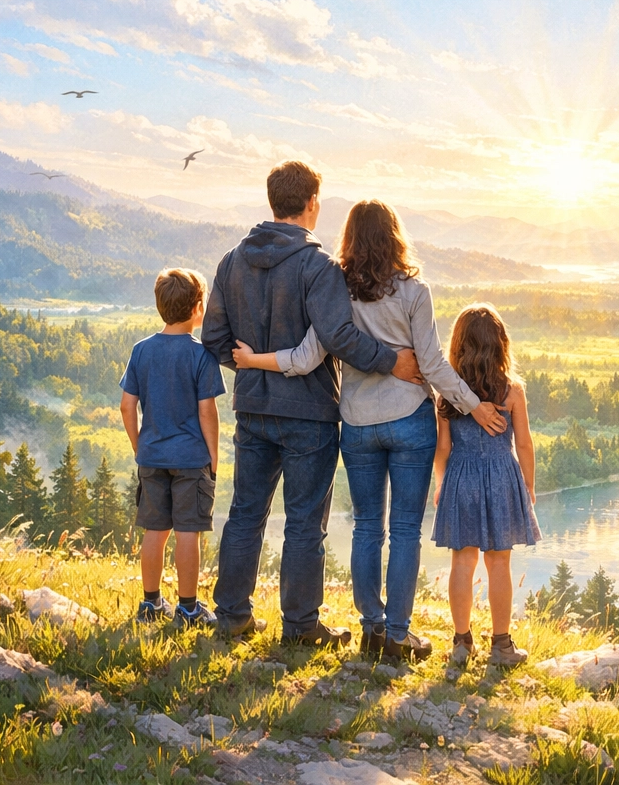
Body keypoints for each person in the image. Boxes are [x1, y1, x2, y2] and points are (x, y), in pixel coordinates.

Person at [231, 199, 507, 662]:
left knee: (365, 529)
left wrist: (254, 360)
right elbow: (434, 365)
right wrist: (475, 406)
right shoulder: (415, 291)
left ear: (350, 240)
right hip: (410, 424)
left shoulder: (337, 287)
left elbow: (307, 355)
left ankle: (370, 630)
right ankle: (398, 637)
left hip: (357, 424)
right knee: (403, 531)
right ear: (395, 235)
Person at [201, 161, 424, 646]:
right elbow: (339, 336)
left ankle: (232, 616)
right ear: (310, 203)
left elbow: (214, 337)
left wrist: (253, 367)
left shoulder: (231, 261)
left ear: (272, 201)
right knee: (304, 522)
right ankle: (300, 627)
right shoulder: (316, 265)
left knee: (245, 513)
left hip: (253, 409)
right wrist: (393, 362)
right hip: (309, 413)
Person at [431, 304, 540, 672]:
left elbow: (442, 447)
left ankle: (461, 643)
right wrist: (527, 485)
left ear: (458, 345)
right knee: (499, 563)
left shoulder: (448, 394)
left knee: (462, 561)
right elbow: (523, 444)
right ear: (501, 345)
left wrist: (441, 482)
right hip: (501, 479)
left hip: (460, 477)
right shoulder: (512, 392)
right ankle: (502, 644)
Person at [120, 267, 224, 628]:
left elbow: (126, 405)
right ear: (198, 308)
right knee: (187, 533)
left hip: (152, 456)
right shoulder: (201, 356)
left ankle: (150, 604)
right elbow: (207, 411)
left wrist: (139, 446)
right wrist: (213, 457)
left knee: (155, 531)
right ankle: (189, 608)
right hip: (191, 459)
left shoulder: (141, 350)